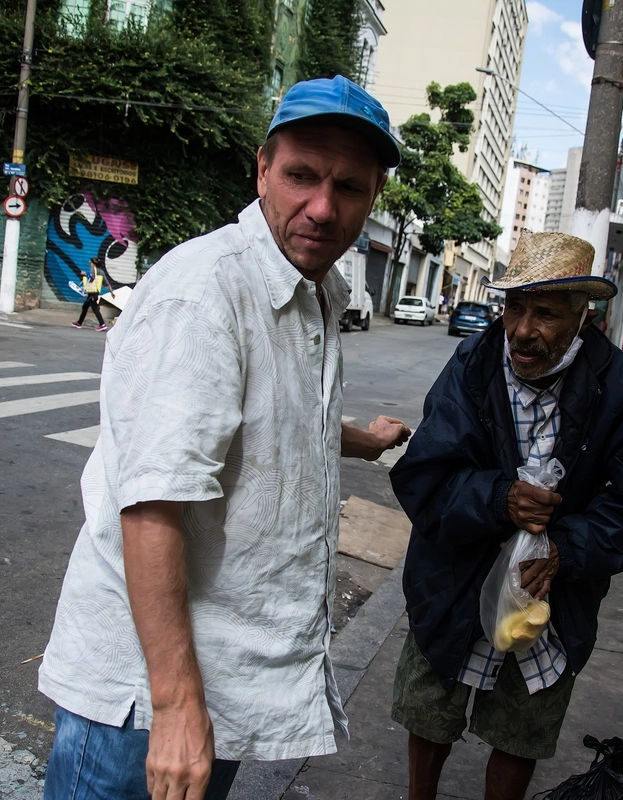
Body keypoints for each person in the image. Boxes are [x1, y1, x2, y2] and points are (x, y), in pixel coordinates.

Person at [38, 75, 409, 800]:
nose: (323, 207)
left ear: (372, 201)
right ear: (263, 169)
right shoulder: (206, 293)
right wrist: (177, 710)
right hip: (145, 701)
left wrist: (358, 441)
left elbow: (263, 418)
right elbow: (151, 504)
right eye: (301, 176)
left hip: (219, 686)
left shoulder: (314, 290)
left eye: (350, 188)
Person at [388, 231, 623, 800]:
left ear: (581, 317)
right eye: (514, 307)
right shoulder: (471, 364)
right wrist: (498, 497)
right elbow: (425, 474)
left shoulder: (620, 385)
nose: (521, 330)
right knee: (429, 710)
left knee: (521, 728)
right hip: (454, 576)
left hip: (550, 594)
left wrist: (567, 549)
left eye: (544, 313)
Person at [72, 258, 116, 332]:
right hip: (94, 292)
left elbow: (92, 276)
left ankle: (102, 324)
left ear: (93, 263)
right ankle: (79, 323)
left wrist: (84, 274)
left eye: (90, 262)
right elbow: (106, 283)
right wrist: (111, 292)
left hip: (92, 292)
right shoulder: (101, 272)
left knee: (95, 308)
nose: (89, 263)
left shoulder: (93, 268)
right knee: (85, 307)